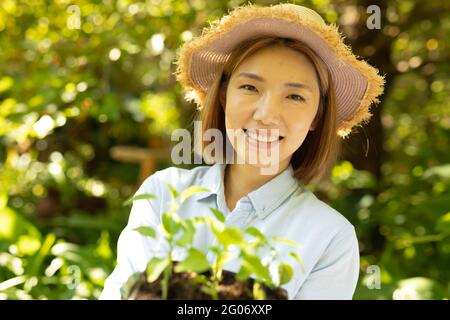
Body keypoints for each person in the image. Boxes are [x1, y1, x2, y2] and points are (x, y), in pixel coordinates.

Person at [100, 3, 384, 300]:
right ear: (223, 95)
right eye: (250, 87)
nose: (266, 114)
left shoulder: (330, 238)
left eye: (295, 96)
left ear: (316, 117)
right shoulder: (163, 195)